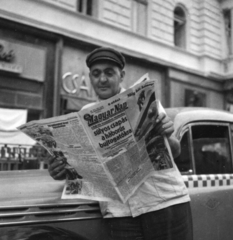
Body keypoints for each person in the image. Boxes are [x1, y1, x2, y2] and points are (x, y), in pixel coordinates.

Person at [48, 47, 193, 240]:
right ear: (90, 77)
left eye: (109, 72)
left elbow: (175, 151)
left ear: (121, 75)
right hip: (120, 213)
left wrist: (167, 134)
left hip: (163, 202)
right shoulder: (83, 115)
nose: (102, 79)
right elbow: (82, 170)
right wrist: (60, 170)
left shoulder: (144, 102)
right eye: (96, 73)